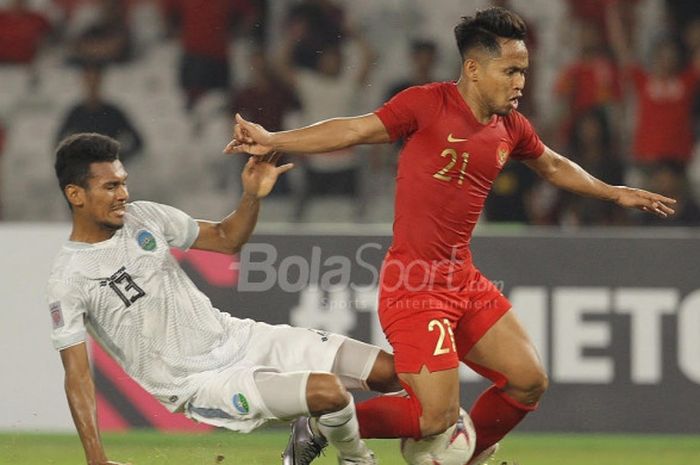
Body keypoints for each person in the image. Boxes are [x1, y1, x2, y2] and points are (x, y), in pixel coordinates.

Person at [225, 7, 677, 465]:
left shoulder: (511, 127)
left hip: (462, 279)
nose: (521, 81)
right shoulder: (427, 104)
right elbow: (355, 129)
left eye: (524, 70)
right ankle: (323, 422)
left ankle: (462, 457)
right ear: (474, 69)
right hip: (414, 285)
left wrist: (613, 193)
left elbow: (554, 166)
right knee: (434, 417)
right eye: (511, 70)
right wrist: (274, 137)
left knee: (528, 380)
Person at [49, 133, 401, 465]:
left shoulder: (144, 217)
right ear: (76, 195)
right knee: (330, 393)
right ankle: (357, 458)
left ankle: (322, 430)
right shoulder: (70, 277)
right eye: (111, 186)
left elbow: (225, 238)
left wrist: (251, 196)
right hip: (200, 383)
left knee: (392, 372)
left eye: (123, 182)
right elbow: (77, 375)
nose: (123, 193)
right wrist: (96, 458)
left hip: (239, 336)